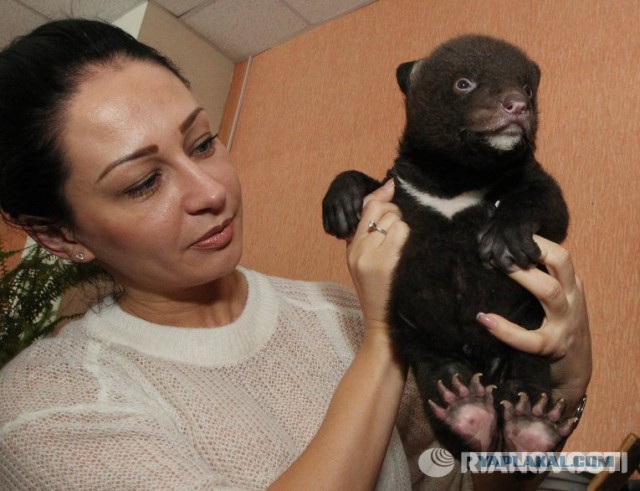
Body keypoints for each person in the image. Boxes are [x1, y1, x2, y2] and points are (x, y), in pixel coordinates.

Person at [0, 19, 590, 490]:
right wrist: (389, 334)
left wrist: (566, 376)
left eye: (203, 143)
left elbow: (463, 479)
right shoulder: (45, 410)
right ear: (58, 235)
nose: (211, 192)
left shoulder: (336, 312)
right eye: (142, 183)